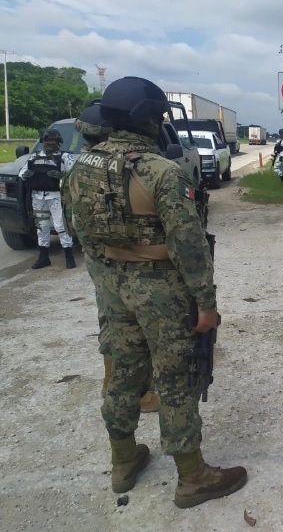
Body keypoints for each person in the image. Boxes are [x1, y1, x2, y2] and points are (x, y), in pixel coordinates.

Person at [62, 76, 246, 507]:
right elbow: (189, 246)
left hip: (112, 288)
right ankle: (193, 476)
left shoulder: (80, 168)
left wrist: (108, 280)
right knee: (176, 378)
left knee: (124, 373)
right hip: (163, 293)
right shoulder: (162, 172)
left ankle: (123, 462)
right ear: (148, 119)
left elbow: (77, 231)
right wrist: (206, 305)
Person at [72, 104, 160, 413]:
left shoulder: (79, 169)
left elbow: (74, 224)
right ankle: (127, 390)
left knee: (111, 318)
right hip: (118, 260)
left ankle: (115, 385)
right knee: (125, 327)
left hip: (98, 259)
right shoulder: (116, 169)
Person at [19, 128, 76, 269]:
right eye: (47, 140)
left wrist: (60, 176)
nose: (49, 143)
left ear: (58, 142)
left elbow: (73, 176)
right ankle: (43, 258)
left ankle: (69, 257)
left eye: (52, 140)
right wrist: (25, 174)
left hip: (56, 197)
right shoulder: (34, 157)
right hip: (37, 197)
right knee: (42, 227)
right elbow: (21, 172)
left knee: (61, 226)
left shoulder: (65, 156)